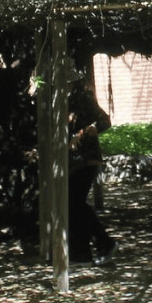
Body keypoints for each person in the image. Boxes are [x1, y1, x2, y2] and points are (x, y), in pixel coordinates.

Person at [67, 74, 118, 266]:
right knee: (73, 205)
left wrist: (82, 133)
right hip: (74, 161)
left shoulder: (83, 100)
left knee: (75, 203)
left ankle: (104, 243)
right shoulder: (64, 101)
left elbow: (104, 121)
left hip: (87, 160)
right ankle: (82, 254)